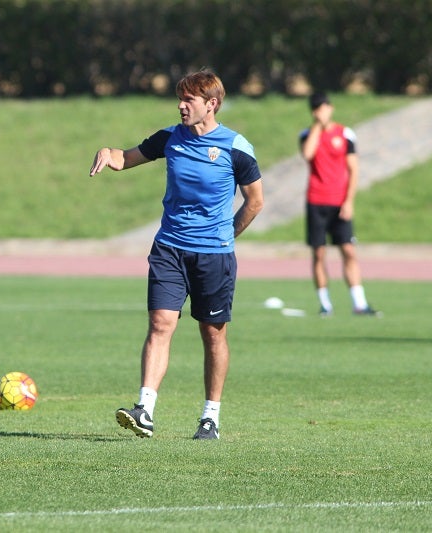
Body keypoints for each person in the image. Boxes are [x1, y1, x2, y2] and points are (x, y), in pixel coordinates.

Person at [89, 69, 264, 440]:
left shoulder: (236, 148)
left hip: (213, 257)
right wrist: (109, 152)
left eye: (190, 100)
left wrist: (226, 236)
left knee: (213, 334)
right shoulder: (170, 138)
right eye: (180, 99)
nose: (182, 106)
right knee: (160, 324)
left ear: (211, 104)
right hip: (169, 248)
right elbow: (126, 158)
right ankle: (145, 409)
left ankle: (210, 417)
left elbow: (255, 202)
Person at [299, 91, 381, 317]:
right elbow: (307, 154)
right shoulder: (307, 134)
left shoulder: (345, 134)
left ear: (331, 108)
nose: (321, 111)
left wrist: (349, 201)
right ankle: (325, 304)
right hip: (316, 201)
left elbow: (354, 170)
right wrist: (317, 126)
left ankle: (359, 303)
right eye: (316, 109)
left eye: (324, 107)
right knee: (319, 253)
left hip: (339, 202)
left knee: (348, 251)